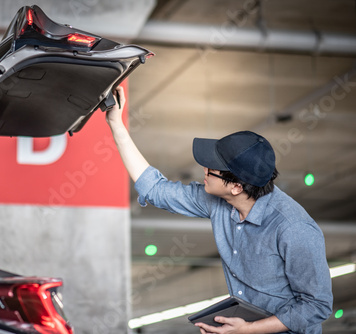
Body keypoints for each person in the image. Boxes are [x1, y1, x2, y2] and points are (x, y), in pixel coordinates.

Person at [106, 87, 333, 334]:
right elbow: (156, 189)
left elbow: (316, 306)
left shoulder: (294, 228)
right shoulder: (219, 202)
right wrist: (117, 125)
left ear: (236, 187)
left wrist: (248, 329)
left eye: (211, 169)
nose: (203, 169)